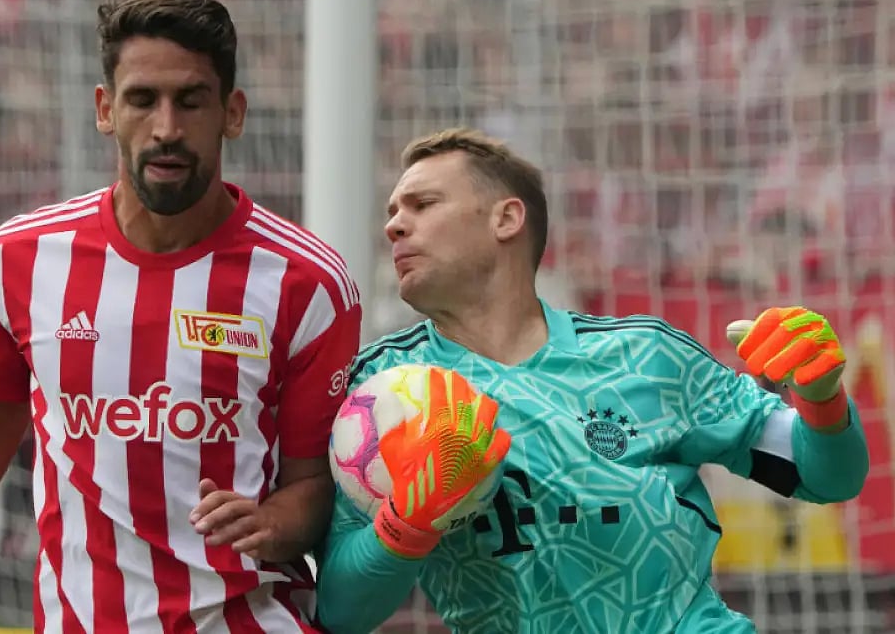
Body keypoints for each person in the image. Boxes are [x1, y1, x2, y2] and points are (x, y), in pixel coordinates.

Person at [0, 0, 361, 634]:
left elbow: (318, 487)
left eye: (191, 101)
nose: (166, 128)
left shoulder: (308, 281)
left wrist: (274, 523)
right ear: (105, 108)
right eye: (142, 100)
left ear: (232, 112)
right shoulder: (21, 260)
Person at [313, 127, 868, 633]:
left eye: (423, 203)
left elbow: (828, 478)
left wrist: (821, 398)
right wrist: (407, 521)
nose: (393, 224)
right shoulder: (379, 390)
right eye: (392, 211)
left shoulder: (643, 353)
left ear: (506, 219)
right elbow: (338, 610)